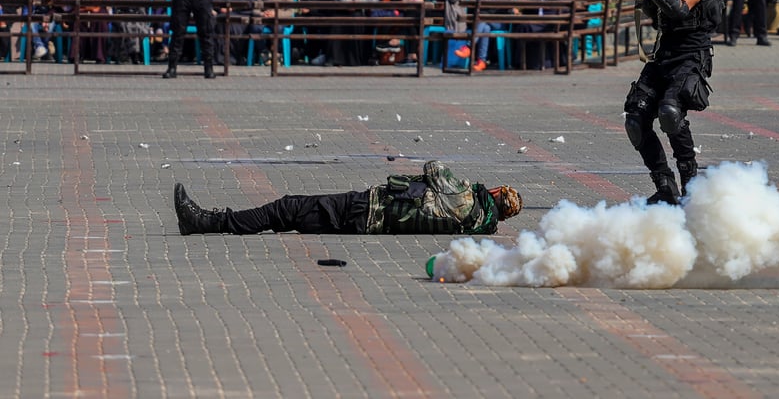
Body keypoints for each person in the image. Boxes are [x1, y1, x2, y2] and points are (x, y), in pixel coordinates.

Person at [626, 0, 722, 205]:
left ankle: (691, 187)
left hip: (692, 54)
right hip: (665, 52)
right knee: (636, 119)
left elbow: (682, 9)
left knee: (670, 113)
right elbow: (658, 20)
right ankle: (665, 186)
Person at [173, 160, 523, 236]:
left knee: (288, 208)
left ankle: (208, 221)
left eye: (498, 190)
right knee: (291, 212)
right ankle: (213, 221)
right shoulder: (476, 222)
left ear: (496, 195)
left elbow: (434, 167)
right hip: (370, 218)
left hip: (369, 209)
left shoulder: (466, 198)